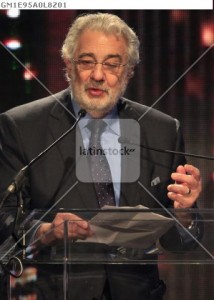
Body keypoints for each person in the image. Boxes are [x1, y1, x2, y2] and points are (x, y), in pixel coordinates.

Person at [0, 13, 202, 300]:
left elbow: (181, 243)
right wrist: (46, 230)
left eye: (111, 64)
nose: (98, 75)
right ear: (68, 66)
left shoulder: (163, 130)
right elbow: (4, 218)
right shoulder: (21, 126)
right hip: (49, 292)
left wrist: (183, 214)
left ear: (128, 71)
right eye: (86, 61)